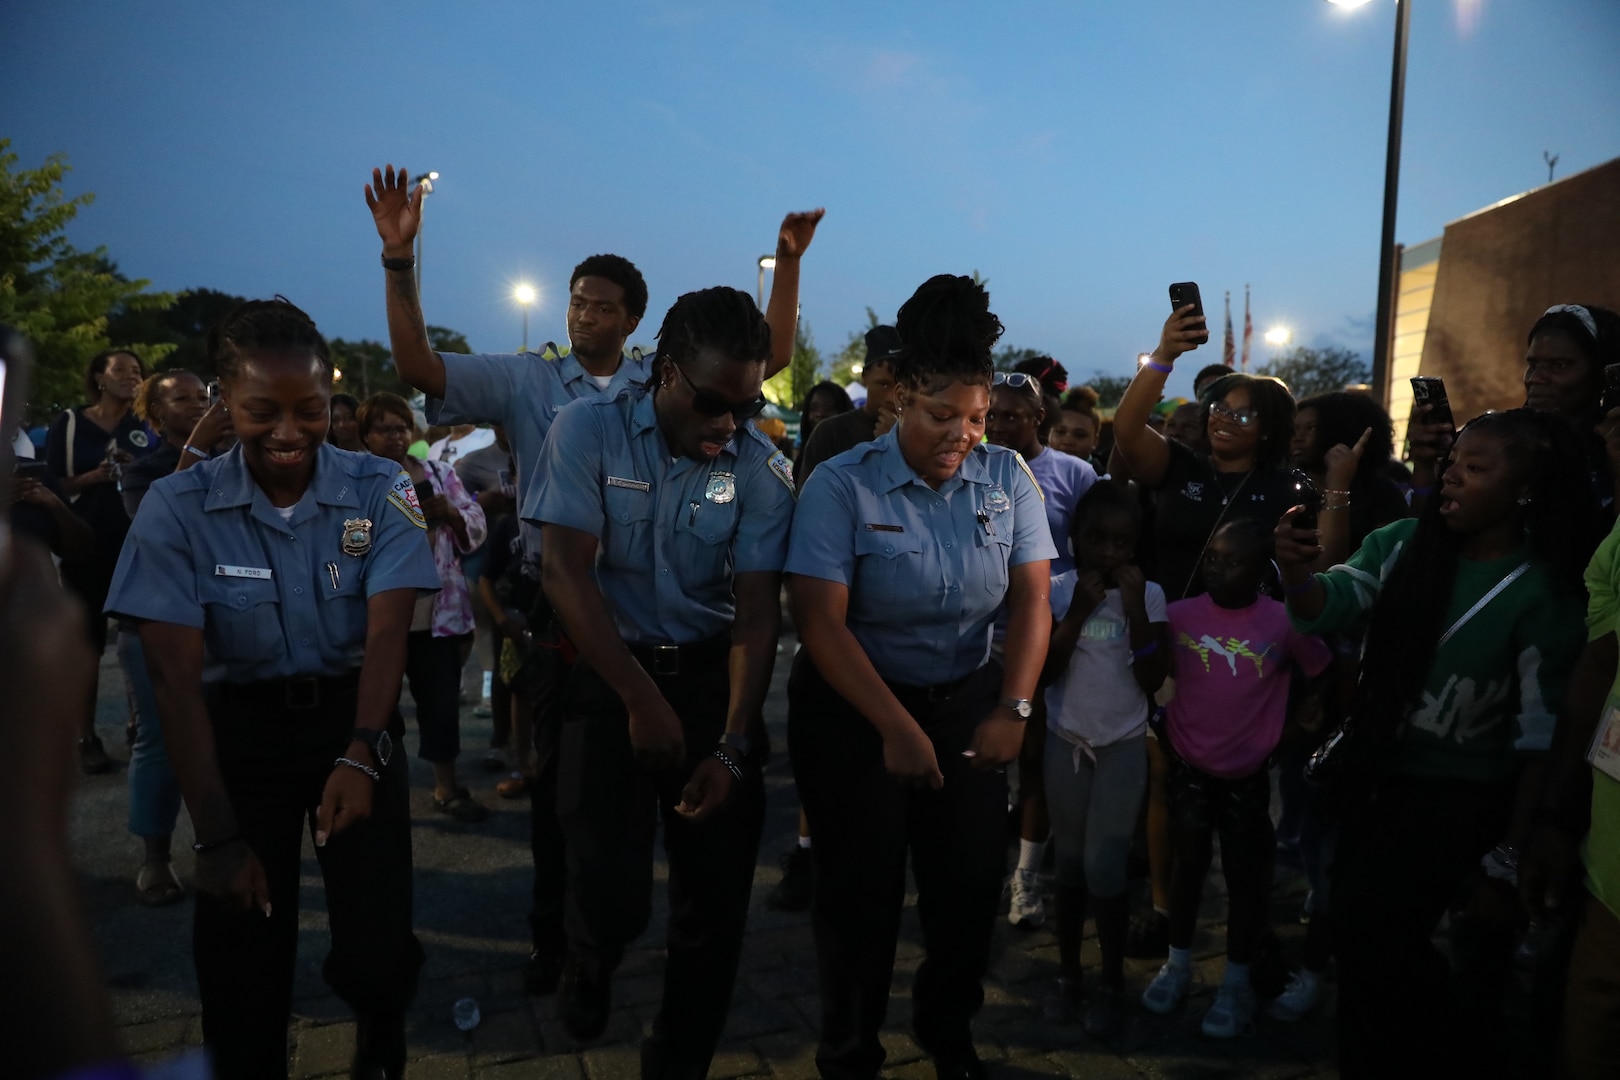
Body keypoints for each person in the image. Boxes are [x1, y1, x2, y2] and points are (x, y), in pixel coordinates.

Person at [366, 162, 824, 993]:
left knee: (671, 845)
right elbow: (419, 368)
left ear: (640, 329)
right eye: (577, 299)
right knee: (563, 805)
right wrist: (400, 264)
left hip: (685, 633)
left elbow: (765, 361)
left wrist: (786, 266)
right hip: (564, 615)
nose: (585, 313)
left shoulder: (693, 389)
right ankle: (566, 942)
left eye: (604, 304)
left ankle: (623, 953)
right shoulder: (533, 384)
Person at [104, 298, 441, 1079]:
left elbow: (389, 630)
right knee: (242, 950)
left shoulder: (381, 487)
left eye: (311, 411)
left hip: (353, 721)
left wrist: (361, 751)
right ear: (226, 403)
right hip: (239, 738)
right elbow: (174, 683)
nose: (289, 433)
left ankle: (381, 1039)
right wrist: (216, 834)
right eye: (262, 412)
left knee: (377, 934)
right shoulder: (176, 508)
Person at [787, 274, 1055, 1080]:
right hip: (853, 708)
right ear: (901, 397)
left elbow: (1034, 599)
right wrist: (895, 729)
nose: (962, 435)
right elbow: (819, 624)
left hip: (967, 702)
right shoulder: (843, 483)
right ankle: (849, 1048)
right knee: (859, 899)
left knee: (970, 890)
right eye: (942, 415)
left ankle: (948, 1033)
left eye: (975, 418)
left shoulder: (1008, 478)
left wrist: (1014, 705)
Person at [1276, 407, 1593, 1076]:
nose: (1451, 478)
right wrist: (1296, 572)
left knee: (1389, 936)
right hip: (1380, 777)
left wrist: (1512, 853)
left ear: (1525, 491)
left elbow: (1543, 735)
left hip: (1466, 799)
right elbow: (1326, 607)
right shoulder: (1399, 544)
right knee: (1360, 937)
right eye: (1452, 463)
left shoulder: (1540, 592)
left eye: (1476, 469)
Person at [531, 285, 794, 1078]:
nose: (729, 425)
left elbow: (755, 617)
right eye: (714, 403)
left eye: (746, 408)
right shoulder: (588, 431)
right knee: (609, 886)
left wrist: (735, 744)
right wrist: (639, 698)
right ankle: (591, 954)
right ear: (667, 373)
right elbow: (563, 573)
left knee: (712, 903)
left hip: (712, 680)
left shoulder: (761, 468)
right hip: (607, 678)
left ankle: (678, 1056)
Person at [1112, 306, 1300, 957]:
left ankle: (1243, 930)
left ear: (1271, 428)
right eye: (1220, 407)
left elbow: (1309, 578)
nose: (1224, 418)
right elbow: (1127, 429)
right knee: (1166, 782)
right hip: (1171, 650)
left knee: (1243, 806)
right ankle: (1168, 910)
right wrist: (1164, 354)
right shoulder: (1184, 469)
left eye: (1245, 413)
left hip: (1244, 667)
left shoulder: (1287, 488)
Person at [1138, 519, 1330, 1037]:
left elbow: (1323, 673)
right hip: (1189, 768)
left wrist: (1290, 732)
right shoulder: (1178, 617)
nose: (1218, 569)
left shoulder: (1283, 621)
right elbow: (1154, 676)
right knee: (1188, 869)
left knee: (1247, 882)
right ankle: (1177, 966)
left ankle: (1236, 983)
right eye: (1212, 558)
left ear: (1262, 570)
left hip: (1248, 775)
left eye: (1233, 561)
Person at [769, 324, 904, 913]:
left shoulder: (931, 435)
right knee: (828, 760)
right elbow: (814, 519)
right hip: (838, 619)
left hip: (897, 628)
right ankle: (808, 854)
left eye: (904, 385)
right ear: (866, 381)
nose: (893, 397)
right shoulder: (833, 435)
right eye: (881, 383)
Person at [1037, 479, 1168, 1037]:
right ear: (1076, 539)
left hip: (1120, 743)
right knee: (1068, 865)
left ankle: (1112, 981)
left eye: (1121, 543)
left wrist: (1135, 609)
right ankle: (1070, 976)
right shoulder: (1057, 588)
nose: (1109, 554)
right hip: (1065, 739)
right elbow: (1042, 671)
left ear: (1135, 545)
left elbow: (1151, 678)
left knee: (1106, 866)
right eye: (1097, 540)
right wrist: (1076, 613)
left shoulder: (1152, 595)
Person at [985, 367, 1097, 931]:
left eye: (1011, 415)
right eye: (992, 414)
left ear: (1039, 420)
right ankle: (976, 869)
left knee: (1036, 763)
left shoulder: (1073, 473)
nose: (999, 425)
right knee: (980, 762)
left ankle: (1026, 877)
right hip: (982, 638)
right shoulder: (972, 461)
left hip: (1047, 640)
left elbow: (1094, 546)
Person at [117, 370, 231, 905]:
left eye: (203, 397)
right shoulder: (145, 471)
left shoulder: (236, 460)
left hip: (223, 621)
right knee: (161, 742)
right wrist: (198, 446)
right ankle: (155, 858)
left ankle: (228, 841)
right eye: (181, 400)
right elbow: (160, 525)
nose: (197, 405)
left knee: (232, 737)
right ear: (154, 418)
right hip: (156, 626)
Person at [359, 391, 490, 822]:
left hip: (438, 610)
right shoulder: (359, 479)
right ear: (366, 436)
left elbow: (475, 520)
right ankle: (374, 786)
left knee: (440, 702)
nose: (395, 436)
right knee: (378, 705)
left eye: (401, 427)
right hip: (381, 614)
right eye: (383, 429)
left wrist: (451, 512)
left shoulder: (439, 471)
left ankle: (446, 785)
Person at [46, 347, 153, 774]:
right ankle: (84, 736)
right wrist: (94, 476)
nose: (132, 377)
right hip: (85, 545)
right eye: (121, 370)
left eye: (138, 371)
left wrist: (133, 467)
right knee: (86, 645)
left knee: (138, 642)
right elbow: (50, 481)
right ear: (99, 378)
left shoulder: (144, 425)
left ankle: (137, 726)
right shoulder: (71, 423)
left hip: (136, 547)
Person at [1408, 303, 1620, 517]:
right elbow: (1428, 536)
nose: (1536, 378)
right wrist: (1425, 466)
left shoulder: (1611, 453)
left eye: (1559, 366)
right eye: (1533, 364)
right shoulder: (1507, 444)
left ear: (1604, 371)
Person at [794, 379, 855, 472]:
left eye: (829, 408)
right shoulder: (802, 461)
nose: (820, 414)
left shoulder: (855, 461)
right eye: (813, 408)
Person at [1047, 386, 1102, 468]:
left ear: (1095, 441)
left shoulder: (1101, 478)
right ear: (1049, 434)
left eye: (1080, 435)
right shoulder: (1030, 473)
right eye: (1060, 432)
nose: (1068, 441)